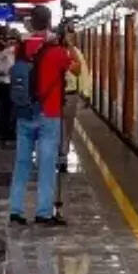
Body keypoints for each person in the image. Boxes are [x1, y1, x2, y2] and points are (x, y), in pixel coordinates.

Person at [8, 6, 79, 226]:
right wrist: (69, 45)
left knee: (22, 163)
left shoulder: (20, 48)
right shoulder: (57, 51)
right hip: (49, 113)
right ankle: (44, 212)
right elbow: (76, 69)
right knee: (47, 164)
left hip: (24, 112)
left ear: (31, 23)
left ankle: (16, 210)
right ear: (49, 22)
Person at [57, 23, 84, 172]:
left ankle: (55, 155)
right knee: (66, 128)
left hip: (52, 96)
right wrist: (71, 48)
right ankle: (62, 157)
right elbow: (77, 70)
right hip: (67, 95)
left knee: (54, 126)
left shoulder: (49, 51)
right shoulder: (68, 53)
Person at [0, 29, 16, 143]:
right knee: (6, 109)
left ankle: (0, 131)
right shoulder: (8, 52)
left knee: (1, 108)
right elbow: (11, 67)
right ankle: (4, 132)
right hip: (6, 83)